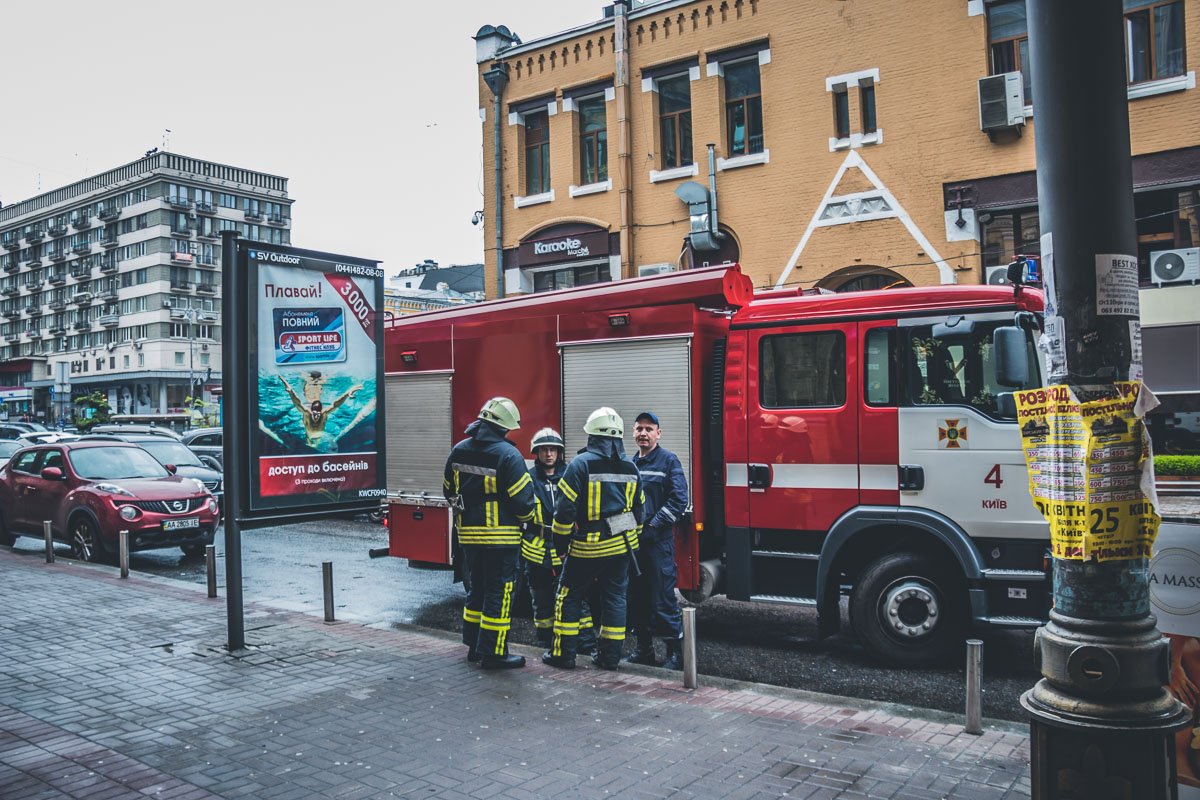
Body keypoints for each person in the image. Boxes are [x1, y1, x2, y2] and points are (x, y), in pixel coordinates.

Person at [542, 407, 644, 671]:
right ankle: (609, 658)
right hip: (621, 548)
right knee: (615, 598)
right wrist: (620, 532)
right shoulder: (631, 467)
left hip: (586, 548)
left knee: (568, 594)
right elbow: (640, 513)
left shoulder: (579, 465)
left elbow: (564, 513)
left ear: (591, 435)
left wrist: (561, 547)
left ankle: (563, 655)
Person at [443, 396, 538, 669]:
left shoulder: (458, 450)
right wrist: (527, 519)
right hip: (502, 540)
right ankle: (494, 654)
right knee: (499, 594)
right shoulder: (508, 455)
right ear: (503, 427)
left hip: (469, 539)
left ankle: (474, 646)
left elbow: (448, 490)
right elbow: (523, 501)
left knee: (477, 592)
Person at [521, 428, 597, 655]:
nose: (549, 454)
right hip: (537, 551)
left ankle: (585, 643)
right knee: (541, 600)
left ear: (560, 452)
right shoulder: (528, 478)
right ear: (536, 452)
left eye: (553, 449)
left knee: (575, 599)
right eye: (544, 449)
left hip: (566, 548)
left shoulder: (570, 474)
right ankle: (546, 641)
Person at [626, 411, 688, 669]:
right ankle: (644, 650)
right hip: (634, 545)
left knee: (662, 599)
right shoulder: (630, 465)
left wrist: (652, 526)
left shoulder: (668, 461)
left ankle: (676, 653)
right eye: (639, 428)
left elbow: (679, 500)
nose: (643, 433)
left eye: (649, 429)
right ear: (633, 432)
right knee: (637, 599)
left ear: (658, 433)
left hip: (658, 545)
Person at [278, 373, 362, 447]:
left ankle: (314, 445)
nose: (316, 415)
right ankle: (311, 445)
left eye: (318, 413)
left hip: (318, 436)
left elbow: (335, 405)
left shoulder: (323, 414)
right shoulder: (307, 413)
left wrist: (347, 394)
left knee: (316, 444)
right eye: (314, 412)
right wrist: (290, 392)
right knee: (311, 444)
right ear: (311, 412)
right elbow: (298, 404)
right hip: (309, 436)